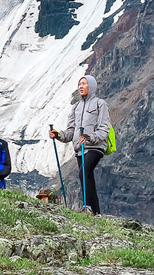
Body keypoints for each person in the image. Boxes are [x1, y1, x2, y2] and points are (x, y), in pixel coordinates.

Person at [49, 75, 111, 215]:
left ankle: (87, 207)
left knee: (84, 172)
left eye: (84, 83)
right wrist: (58, 135)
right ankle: (96, 212)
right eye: (79, 84)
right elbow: (71, 131)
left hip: (95, 146)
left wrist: (90, 137)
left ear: (92, 86)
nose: (81, 86)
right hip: (79, 148)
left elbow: (104, 128)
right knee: (86, 176)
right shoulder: (76, 107)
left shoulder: (100, 104)